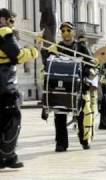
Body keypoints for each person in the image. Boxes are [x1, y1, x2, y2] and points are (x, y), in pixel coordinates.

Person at [46, 22, 96, 151]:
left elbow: (92, 63)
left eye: (68, 30)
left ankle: (85, 139)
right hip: (62, 87)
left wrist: (87, 76)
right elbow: (48, 62)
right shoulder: (57, 47)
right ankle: (61, 143)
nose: (65, 33)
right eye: (63, 31)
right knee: (59, 115)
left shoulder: (81, 47)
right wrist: (42, 49)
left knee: (84, 113)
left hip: (79, 86)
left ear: (73, 32)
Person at [0, 8, 39, 168]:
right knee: (13, 120)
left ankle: (7, 157)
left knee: (3, 122)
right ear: (4, 20)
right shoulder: (4, 32)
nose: (13, 25)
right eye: (12, 21)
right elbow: (18, 55)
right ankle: (6, 155)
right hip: (5, 85)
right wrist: (36, 50)